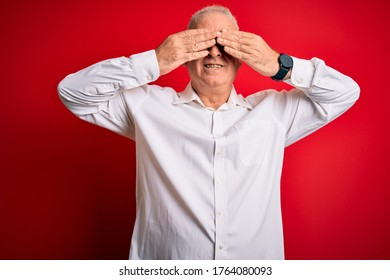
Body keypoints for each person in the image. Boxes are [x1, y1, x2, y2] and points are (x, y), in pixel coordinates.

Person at [58, 5, 360, 260]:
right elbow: (72, 92)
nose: (214, 52)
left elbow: (346, 92)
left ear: (242, 57)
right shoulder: (147, 107)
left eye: (226, 44)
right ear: (185, 53)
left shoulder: (274, 112)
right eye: (202, 44)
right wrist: (155, 60)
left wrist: (280, 65)